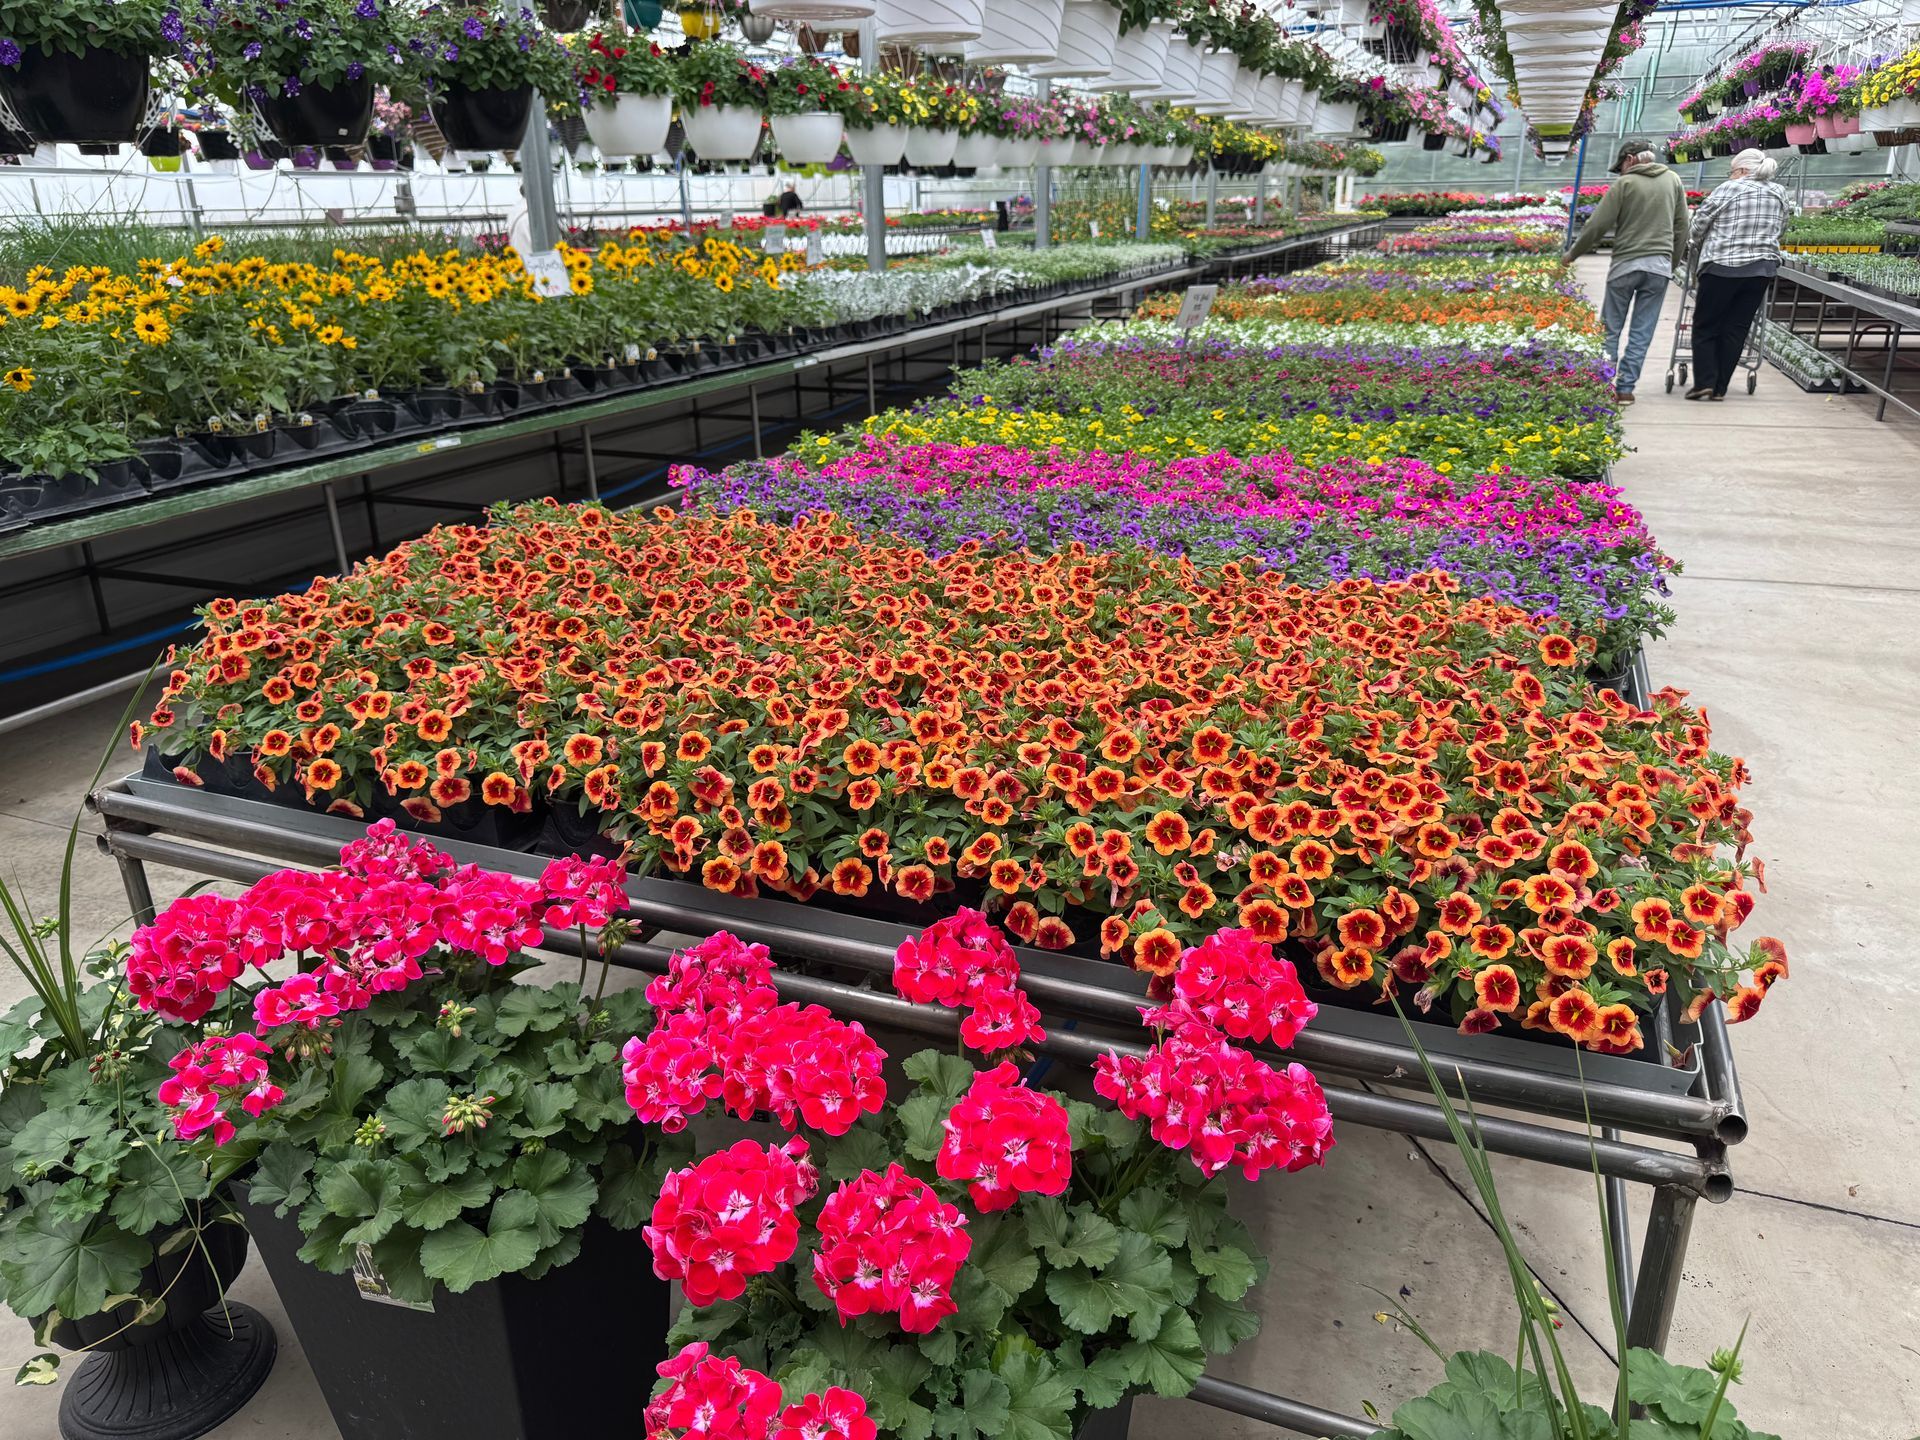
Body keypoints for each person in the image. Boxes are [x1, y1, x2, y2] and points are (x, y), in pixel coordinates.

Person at [1565, 140, 1690, 405]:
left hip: (1626, 265)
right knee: (1642, 332)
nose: (1620, 171)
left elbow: (1597, 225)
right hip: (1658, 269)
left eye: (1621, 165)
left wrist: (1571, 255)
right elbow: (1682, 227)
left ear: (1631, 159)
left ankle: (1602, 384)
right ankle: (1625, 389)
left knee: (1610, 328)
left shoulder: (1625, 184)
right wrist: (1671, 263)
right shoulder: (1673, 181)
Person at [1684, 149, 1789, 401]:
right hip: (1760, 271)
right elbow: (1782, 227)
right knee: (1736, 328)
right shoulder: (1779, 193)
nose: (1731, 175)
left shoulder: (1729, 189)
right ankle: (1720, 387)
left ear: (1742, 170)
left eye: (1732, 170)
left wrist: (1694, 242)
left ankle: (1705, 382)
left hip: (1721, 266)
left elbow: (1700, 223)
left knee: (1706, 325)